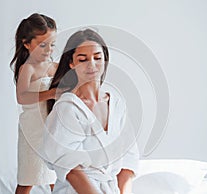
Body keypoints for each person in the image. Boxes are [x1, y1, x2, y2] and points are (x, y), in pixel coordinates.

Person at [43, 29, 139, 194]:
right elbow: (70, 167)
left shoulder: (117, 105)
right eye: (83, 59)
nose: (92, 65)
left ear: (105, 59)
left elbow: (128, 161)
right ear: (71, 64)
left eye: (97, 57)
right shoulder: (67, 107)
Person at [10, 13, 58, 194]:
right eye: (42, 45)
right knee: (28, 176)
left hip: (51, 128)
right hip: (32, 129)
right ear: (26, 44)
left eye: (52, 45)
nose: (48, 50)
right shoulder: (27, 68)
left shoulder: (55, 67)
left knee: (56, 177)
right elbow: (21, 97)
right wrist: (50, 93)